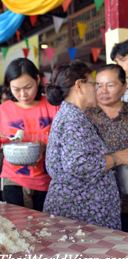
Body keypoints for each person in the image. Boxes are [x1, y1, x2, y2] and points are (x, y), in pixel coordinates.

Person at [44, 61, 128, 230]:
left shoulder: (71, 114)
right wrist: (118, 157)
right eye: (94, 84)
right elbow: (80, 165)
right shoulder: (73, 120)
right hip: (81, 212)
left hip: (83, 210)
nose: (97, 90)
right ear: (79, 85)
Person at [0, 58, 58, 211]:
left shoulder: (52, 107)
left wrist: (45, 146)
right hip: (14, 182)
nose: (23, 94)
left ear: (37, 79)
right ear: (8, 86)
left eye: (28, 87)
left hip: (50, 181)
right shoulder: (2, 111)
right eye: (16, 89)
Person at [86, 64, 128, 231]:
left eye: (110, 85)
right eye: (98, 85)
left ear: (124, 86)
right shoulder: (86, 116)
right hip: (97, 197)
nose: (103, 90)